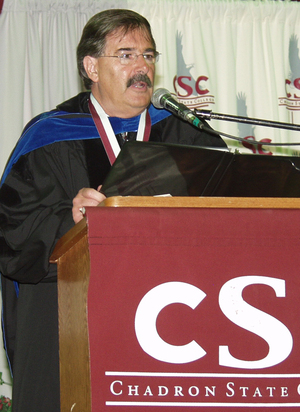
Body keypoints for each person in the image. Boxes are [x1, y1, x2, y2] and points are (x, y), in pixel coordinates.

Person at [0, 8, 227, 411]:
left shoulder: (187, 135)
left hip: (173, 322)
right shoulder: (48, 138)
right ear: (91, 66)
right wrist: (68, 220)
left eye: (149, 55)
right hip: (72, 329)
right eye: (126, 55)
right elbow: (11, 233)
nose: (142, 67)